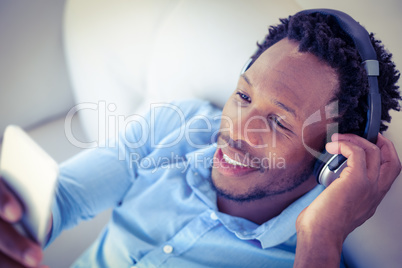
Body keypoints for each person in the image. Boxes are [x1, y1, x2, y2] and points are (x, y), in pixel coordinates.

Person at [0, 10, 401, 268]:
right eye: (243, 96)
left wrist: (322, 237)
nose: (236, 130)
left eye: (278, 122)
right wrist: (13, 215)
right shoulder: (178, 126)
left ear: (334, 155)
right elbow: (63, 198)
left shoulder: (313, 252)